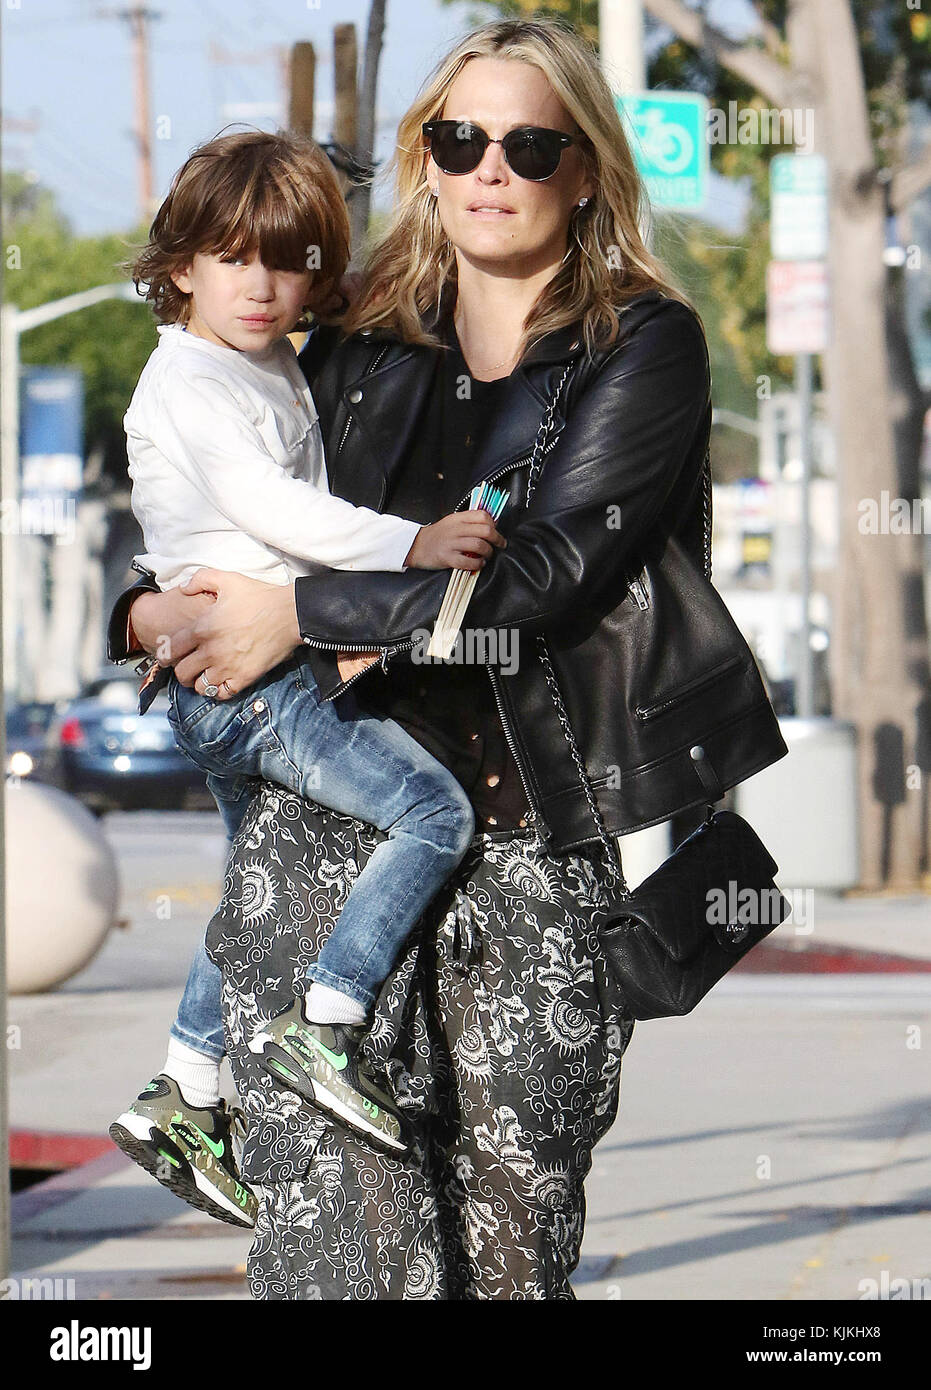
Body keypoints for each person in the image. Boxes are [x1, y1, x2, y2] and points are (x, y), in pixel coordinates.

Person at [110, 17, 787, 1297]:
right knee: (333, 1256)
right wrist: (143, 613)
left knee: (508, 1257)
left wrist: (300, 614)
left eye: (529, 144)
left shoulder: (641, 347)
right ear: (425, 156)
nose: (489, 167)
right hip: (324, 843)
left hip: (530, 858)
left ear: (584, 167)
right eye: (460, 138)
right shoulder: (355, 339)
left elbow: (538, 585)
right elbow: (218, 498)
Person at [108, 129, 512, 1224]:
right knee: (431, 814)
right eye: (235, 258)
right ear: (180, 263)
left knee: (250, 888)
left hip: (244, 672)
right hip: (247, 682)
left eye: (288, 263)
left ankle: (185, 1092)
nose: (264, 284)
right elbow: (277, 512)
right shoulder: (189, 381)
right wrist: (415, 541)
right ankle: (327, 1025)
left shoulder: (266, 356)